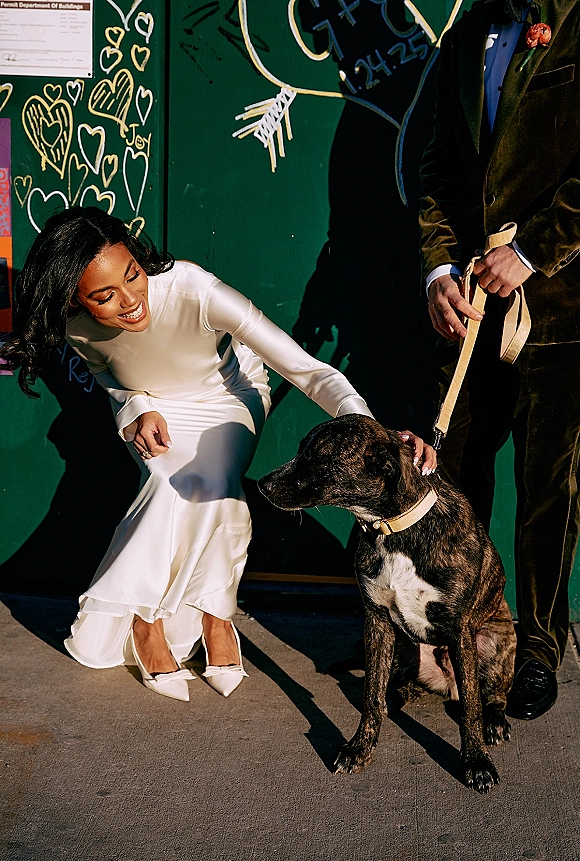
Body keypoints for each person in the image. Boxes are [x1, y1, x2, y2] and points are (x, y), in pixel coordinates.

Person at [3, 206, 435, 702]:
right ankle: (171, 620)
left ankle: (202, 615)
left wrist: (372, 433)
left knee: (205, 481)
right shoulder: (77, 329)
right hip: (159, 411)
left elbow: (309, 371)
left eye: (132, 276)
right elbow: (110, 378)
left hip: (230, 396)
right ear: (74, 300)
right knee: (172, 485)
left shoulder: (193, 288)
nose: (130, 301)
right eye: (105, 296)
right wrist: (135, 409)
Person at [419, 0, 580, 720]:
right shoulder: (467, 34)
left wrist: (532, 251)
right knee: (458, 475)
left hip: (564, 308)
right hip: (476, 306)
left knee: (551, 488)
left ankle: (540, 650)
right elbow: (440, 168)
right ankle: (462, 634)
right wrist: (438, 272)